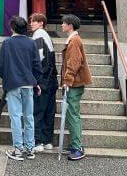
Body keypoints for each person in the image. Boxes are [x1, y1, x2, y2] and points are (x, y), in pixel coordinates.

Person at [0, 15, 42, 162]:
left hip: (13, 84)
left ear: (13, 28)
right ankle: (30, 148)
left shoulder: (7, 43)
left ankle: (18, 149)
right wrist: (36, 82)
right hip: (28, 83)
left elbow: (1, 67)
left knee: (15, 117)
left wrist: (7, 78)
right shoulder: (31, 43)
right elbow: (37, 65)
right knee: (29, 117)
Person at [60, 14, 93, 161]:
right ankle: (76, 144)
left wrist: (67, 80)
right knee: (73, 114)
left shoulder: (74, 40)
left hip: (74, 82)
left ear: (70, 25)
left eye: (64, 23)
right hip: (76, 82)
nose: (62, 25)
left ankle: (77, 147)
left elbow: (74, 62)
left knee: (73, 115)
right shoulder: (74, 39)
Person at [29, 13, 57, 152]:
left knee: (38, 110)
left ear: (41, 23)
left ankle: (38, 141)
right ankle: (47, 140)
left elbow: (38, 59)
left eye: (34, 21)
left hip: (43, 79)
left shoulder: (38, 35)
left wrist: (36, 80)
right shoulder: (46, 35)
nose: (31, 23)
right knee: (49, 111)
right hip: (52, 78)